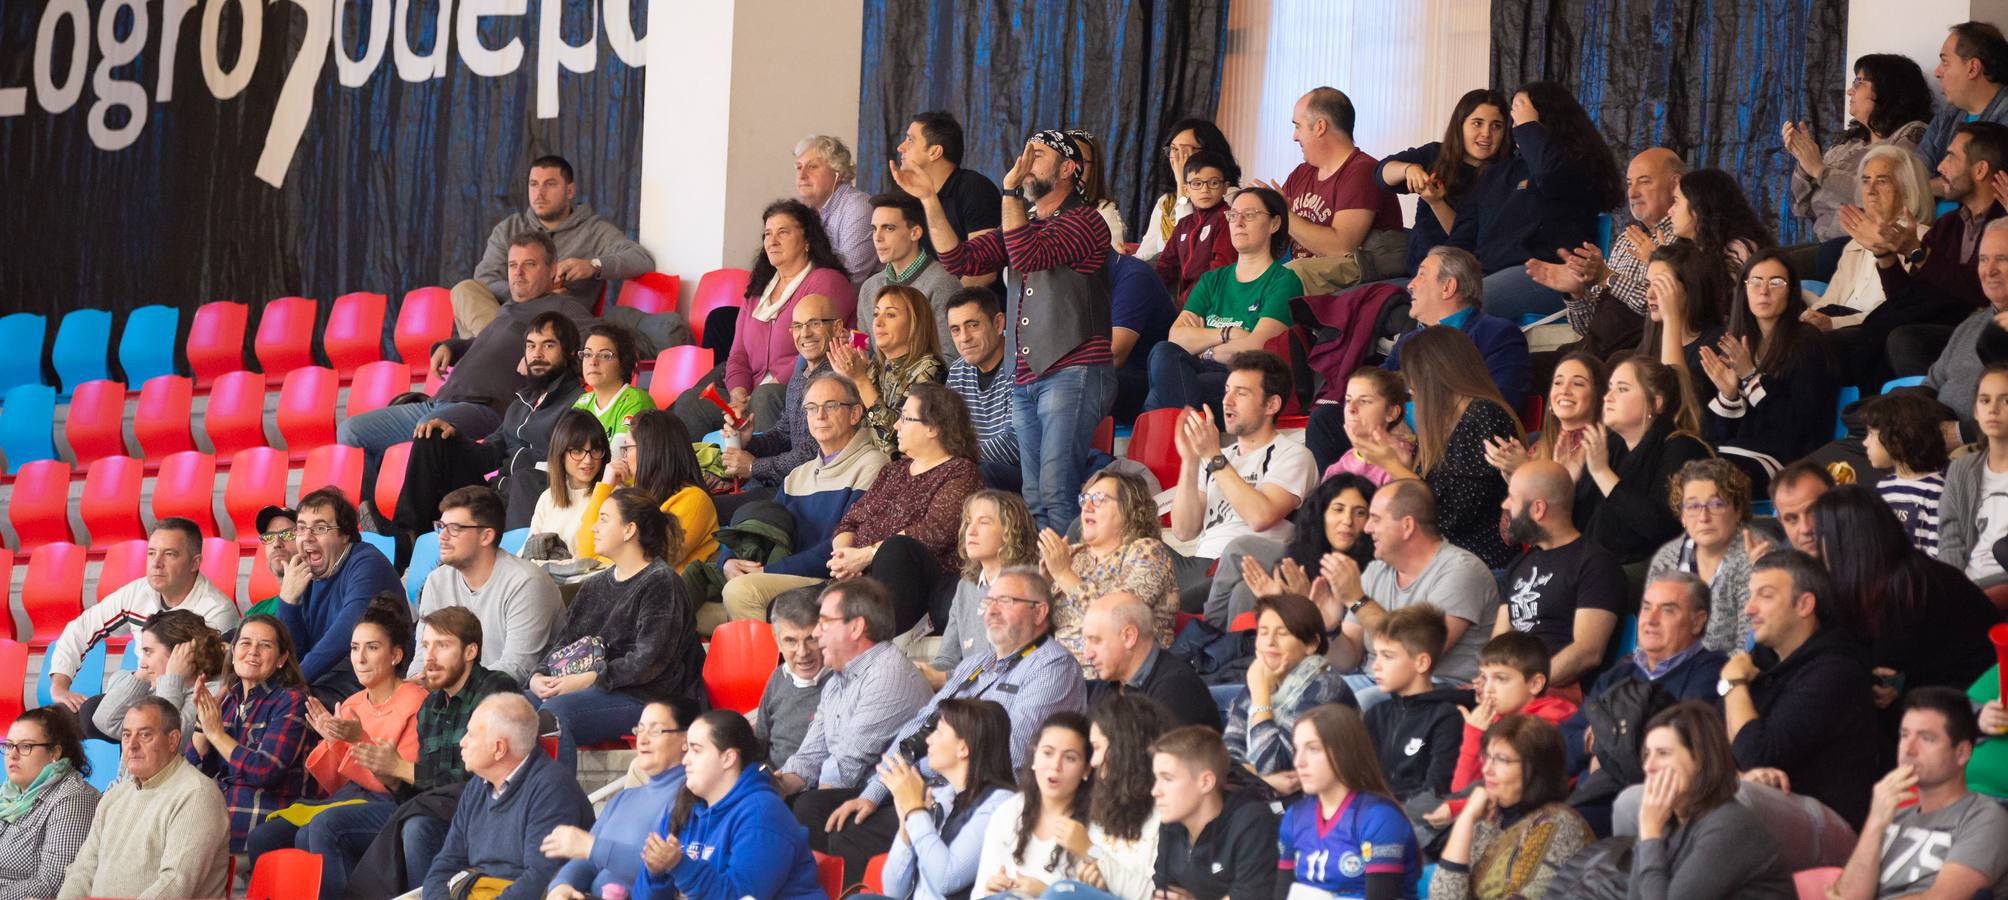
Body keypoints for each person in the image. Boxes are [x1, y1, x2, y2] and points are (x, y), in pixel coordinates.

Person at [804, 568, 1086, 883]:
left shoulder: (1052, 666)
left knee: (850, 834)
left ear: (1040, 611)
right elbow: (918, 726)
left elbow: (1012, 755)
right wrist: (874, 793)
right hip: (932, 793)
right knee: (827, 817)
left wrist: (926, 774)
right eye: (988, 601)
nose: (990, 610)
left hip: (981, 804)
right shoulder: (976, 663)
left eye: (1004, 601)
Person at [902, 129, 1115, 533]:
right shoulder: (1028, 221)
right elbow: (958, 259)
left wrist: (1010, 194)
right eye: (1026, 152)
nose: (1025, 161)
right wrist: (929, 200)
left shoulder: (1087, 220)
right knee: (1034, 495)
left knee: (1056, 488)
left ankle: (1077, 579)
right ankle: (1044, 579)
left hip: (1074, 370)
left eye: (1039, 155)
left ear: (1069, 168)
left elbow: (1027, 255)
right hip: (1028, 375)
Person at [342, 233, 595, 503]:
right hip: (438, 401)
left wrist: (536, 358)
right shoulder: (509, 308)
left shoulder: (562, 307)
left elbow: (596, 347)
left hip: (485, 409)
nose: (518, 273)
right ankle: (368, 512)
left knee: (428, 429)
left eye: (529, 264)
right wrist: (453, 346)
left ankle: (417, 523)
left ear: (553, 269)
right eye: (512, 265)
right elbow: (485, 344)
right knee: (352, 430)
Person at [248, 595, 426, 897]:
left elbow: (398, 784)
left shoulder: (415, 701)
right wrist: (333, 741)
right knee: (264, 837)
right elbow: (336, 784)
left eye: (372, 648)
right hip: (350, 798)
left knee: (318, 828)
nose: (361, 658)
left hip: (393, 804)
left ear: (396, 656)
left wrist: (357, 739)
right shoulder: (353, 703)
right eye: (355, 648)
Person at [339, 607, 523, 898]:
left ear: (470, 651)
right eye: (426, 646)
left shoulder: (496, 689)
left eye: (443, 645)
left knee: (416, 828)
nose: (430, 657)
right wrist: (392, 777)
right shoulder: (431, 707)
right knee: (334, 825)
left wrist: (403, 769)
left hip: (492, 815)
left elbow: (482, 778)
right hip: (444, 813)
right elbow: (424, 796)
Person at [533, 487, 706, 768]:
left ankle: (556, 807)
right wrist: (539, 675)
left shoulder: (661, 582)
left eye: (603, 519)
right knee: (515, 707)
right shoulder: (594, 585)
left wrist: (588, 679)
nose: (593, 527)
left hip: (650, 698)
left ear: (629, 530)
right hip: (599, 688)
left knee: (554, 713)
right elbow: (564, 642)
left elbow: (649, 661)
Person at [1721, 549, 1879, 826]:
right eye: (1751, 595)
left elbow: (1756, 756)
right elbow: (1711, 742)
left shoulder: (1834, 672)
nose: (1749, 608)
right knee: (1642, 796)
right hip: (1765, 810)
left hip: (1826, 824)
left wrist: (1733, 684)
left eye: (1766, 596)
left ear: (1804, 605)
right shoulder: (1758, 661)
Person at [1808, 485, 2000, 711]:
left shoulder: (1905, 589)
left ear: (1843, 542)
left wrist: (1866, 671)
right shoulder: (1891, 574)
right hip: (1946, 687)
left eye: (1820, 536)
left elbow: (1886, 672)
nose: (1816, 546)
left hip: (1979, 696)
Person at [675, 199, 858, 437]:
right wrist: (738, 395)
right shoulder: (758, 289)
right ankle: (695, 473)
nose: (772, 241)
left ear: (807, 241)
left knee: (766, 396)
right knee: (692, 401)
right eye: (767, 234)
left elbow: (815, 349)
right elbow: (738, 354)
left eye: (783, 232)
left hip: (804, 393)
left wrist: (765, 388)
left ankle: (756, 472)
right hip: (753, 393)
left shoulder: (827, 281)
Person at [397, 310, 587, 531]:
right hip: (496, 494)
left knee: (521, 480)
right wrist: (454, 437)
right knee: (432, 436)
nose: (537, 354)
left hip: (530, 497)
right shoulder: (521, 402)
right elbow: (487, 455)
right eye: (531, 345)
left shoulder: (577, 404)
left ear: (571, 351)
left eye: (548, 345)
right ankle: (405, 536)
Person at [1168, 351, 1319, 623]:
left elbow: (1260, 518)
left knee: (1237, 556)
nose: (1227, 400)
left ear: (1271, 404)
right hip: (1200, 565)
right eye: (1227, 391)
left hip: (1248, 565)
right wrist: (1191, 461)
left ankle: (1192, 626)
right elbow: (1183, 530)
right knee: (1137, 544)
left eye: (1241, 393)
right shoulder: (1216, 456)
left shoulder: (1293, 455)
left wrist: (1214, 458)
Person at [820, 384, 985, 632]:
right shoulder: (892, 470)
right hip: (859, 577)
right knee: (786, 607)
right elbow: (849, 523)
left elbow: (935, 531)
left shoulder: (960, 472)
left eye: (905, 418)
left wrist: (865, 555)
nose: (896, 425)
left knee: (896, 549)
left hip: (917, 585)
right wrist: (844, 558)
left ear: (933, 427)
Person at [1360, 324, 1527, 567]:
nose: (1411, 390)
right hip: (1442, 563)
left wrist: (1392, 465)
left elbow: (1450, 516)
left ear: (1436, 374)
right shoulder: (1446, 423)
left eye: (1413, 377)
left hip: (1479, 566)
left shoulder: (1482, 415)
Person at [1853, 121, 2008, 379]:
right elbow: (1908, 299)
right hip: (1937, 326)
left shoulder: (2003, 226)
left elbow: (1984, 293)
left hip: (1981, 333)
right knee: (1845, 342)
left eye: (1950, 157)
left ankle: (1932, 414)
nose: (1939, 167)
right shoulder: (1948, 224)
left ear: (1980, 170)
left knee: (1902, 340)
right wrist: (1886, 254)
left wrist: (1919, 253)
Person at [44, 517, 239, 712]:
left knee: (99, 713)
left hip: (187, 707)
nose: (157, 563)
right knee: (63, 718)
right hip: (141, 693)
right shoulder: (138, 592)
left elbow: (192, 679)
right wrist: (60, 686)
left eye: (170, 554)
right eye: (151, 553)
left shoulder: (217, 610)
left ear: (195, 563)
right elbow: (82, 628)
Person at [1831, 687, 2008, 900]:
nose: (1909, 749)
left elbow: (1940, 898)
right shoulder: (1891, 815)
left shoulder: (1985, 818)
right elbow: (1846, 896)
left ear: (1961, 753)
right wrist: (1875, 823)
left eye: (1927, 738)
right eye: (1904, 735)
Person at [1144, 186, 1301, 418]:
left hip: (1247, 380)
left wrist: (1202, 349)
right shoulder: (1212, 280)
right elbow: (1177, 338)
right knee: (1163, 351)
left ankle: (1187, 444)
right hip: (1200, 372)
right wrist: (1228, 333)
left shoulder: (1284, 281)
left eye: (1249, 215)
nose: (1238, 222)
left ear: (1274, 224)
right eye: (1233, 215)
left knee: (1157, 397)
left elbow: (1255, 348)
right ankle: (1194, 440)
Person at [453, 155, 652, 337]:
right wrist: (531, 290)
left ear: (570, 190)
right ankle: (500, 345)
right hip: (509, 317)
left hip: (558, 325)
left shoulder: (594, 230)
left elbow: (641, 259)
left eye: (550, 184)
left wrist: (593, 265)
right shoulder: (509, 228)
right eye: (533, 184)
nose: (539, 193)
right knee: (464, 289)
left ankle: (494, 349)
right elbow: (485, 279)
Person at [633, 710, 824, 900]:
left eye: (696, 750)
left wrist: (679, 866)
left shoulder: (763, 814)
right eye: (687, 750)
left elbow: (742, 897)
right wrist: (656, 873)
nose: (685, 760)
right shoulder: (684, 810)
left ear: (728, 758)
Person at [777, 580, 935, 804]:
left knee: (807, 807)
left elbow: (845, 769)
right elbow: (812, 754)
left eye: (824, 622)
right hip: (849, 792)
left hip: (891, 802)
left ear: (856, 627)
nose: (815, 632)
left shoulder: (887, 677)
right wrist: (779, 785)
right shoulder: (837, 680)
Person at [54, 699, 230, 900]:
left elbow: (175, 886)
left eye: (145, 735)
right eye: (126, 735)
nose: (132, 745)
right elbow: (82, 872)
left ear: (173, 740)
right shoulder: (114, 796)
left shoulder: (197, 795)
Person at [423, 693, 595, 898]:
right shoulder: (476, 786)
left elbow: (540, 879)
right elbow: (445, 864)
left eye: (471, 735)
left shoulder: (552, 788)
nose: (462, 742)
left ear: (499, 748)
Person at [1336, 480, 1501, 690]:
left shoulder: (1461, 571)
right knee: (1315, 694)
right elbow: (1344, 662)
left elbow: (1415, 653)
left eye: (1375, 519)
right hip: (1372, 681)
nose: (1367, 528)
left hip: (1433, 690)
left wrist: (1357, 600)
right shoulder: (1376, 571)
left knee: (1354, 704)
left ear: (1407, 526)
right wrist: (1329, 628)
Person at [1527, 148, 1686, 359]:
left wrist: (1606, 276)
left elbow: (1661, 311)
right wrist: (1577, 294)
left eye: (1644, 181)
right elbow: (1587, 328)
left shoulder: (1684, 240)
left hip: (1636, 358)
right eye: (1629, 183)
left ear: (1675, 185)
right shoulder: (1627, 238)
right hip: (1592, 353)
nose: (1632, 193)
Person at [1561, 573, 1727, 774]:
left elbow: (1676, 748)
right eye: (1646, 607)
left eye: (1668, 610)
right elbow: (1561, 747)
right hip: (1587, 796)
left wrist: (1604, 737)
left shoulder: (1712, 672)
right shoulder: (1620, 672)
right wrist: (1595, 743)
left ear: (1698, 621)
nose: (1651, 619)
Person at [1627, 701, 1795, 899]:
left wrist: (1649, 835)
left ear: (1699, 759)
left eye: (1663, 753)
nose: (1649, 766)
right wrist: (1649, 834)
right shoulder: (1663, 821)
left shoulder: (1730, 825)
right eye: (1647, 754)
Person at [1702, 251, 1837, 489]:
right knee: (1686, 459)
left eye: (1776, 282)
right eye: (1755, 282)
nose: (1763, 291)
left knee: (1708, 472)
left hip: (1787, 461)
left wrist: (1751, 377)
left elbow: (1795, 427)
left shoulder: (1806, 341)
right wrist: (1729, 395)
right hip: (1737, 451)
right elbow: (1718, 434)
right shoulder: (1740, 342)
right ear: (1744, 290)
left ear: (1791, 291)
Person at [1250, 86, 1405, 291]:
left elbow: (1341, 246)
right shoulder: (1302, 173)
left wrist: (1285, 216)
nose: (1294, 136)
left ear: (1320, 126)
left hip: (1350, 285)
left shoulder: (1362, 171)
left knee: (1288, 277)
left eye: (1298, 126)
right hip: (1304, 281)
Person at [544, 697, 696, 899]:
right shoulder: (623, 798)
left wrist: (593, 847)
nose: (642, 740)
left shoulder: (693, 799)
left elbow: (669, 868)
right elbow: (587, 860)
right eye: (639, 730)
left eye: (655, 730)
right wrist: (562, 885)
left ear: (686, 740)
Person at [185, 614, 310, 852]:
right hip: (216, 819)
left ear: (282, 658)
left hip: (260, 822)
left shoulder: (292, 700)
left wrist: (218, 734)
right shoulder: (228, 700)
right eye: (245, 643)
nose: (253, 651)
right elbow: (192, 774)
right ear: (233, 652)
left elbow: (265, 771)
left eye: (265, 645)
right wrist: (203, 724)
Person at [1431, 716, 1593, 899]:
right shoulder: (1489, 818)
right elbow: (1442, 895)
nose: (1486, 770)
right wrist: (1465, 819)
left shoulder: (1556, 825)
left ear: (1535, 769)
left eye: (1501, 760)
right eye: (1487, 757)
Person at [1039, 467, 1181, 674]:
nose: (1086, 506)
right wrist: (1040, 589)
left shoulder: (1147, 551)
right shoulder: (1072, 556)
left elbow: (1120, 620)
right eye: (1084, 499)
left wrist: (1063, 575)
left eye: (1099, 499)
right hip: (1054, 674)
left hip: (1118, 683)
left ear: (1130, 509)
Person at [1494, 460, 1625, 686]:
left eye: (1512, 498)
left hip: (1559, 696)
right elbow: (1498, 642)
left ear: (1538, 509)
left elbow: (1587, 652)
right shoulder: (1517, 566)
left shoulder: (1595, 564)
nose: (1505, 504)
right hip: (1513, 691)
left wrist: (1529, 688)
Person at [415, 486, 564, 684]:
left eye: (455, 528)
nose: (442, 536)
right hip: (454, 693)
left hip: (515, 700)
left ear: (486, 536)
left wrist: (449, 685)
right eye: (441, 527)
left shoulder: (526, 583)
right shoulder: (436, 581)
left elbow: (516, 668)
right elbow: (421, 656)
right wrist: (413, 689)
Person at [1576, 354, 1714, 564]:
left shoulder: (1683, 448)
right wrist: (1569, 477)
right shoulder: (1611, 446)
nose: (1607, 397)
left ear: (1655, 403)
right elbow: (1580, 521)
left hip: (1655, 567)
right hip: (1601, 564)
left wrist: (1602, 473)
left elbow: (1660, 527)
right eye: (1610, 387)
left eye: (1622, 389)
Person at [273, 487, 403, 708]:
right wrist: (288, 601)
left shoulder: (367, 564)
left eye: (320, 528)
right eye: (301, 528)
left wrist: (285, 687)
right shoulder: (306, 572)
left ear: (344, 535)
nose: (307, 537)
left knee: (290, 704)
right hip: (325, 678)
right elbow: (293, 650)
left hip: (368, 677)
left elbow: (343, 637)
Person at [1273, 705, 1421, 898]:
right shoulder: (1294, 816)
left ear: (1344, 751)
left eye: (1313, 749)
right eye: (1296, 749)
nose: (1299, 762)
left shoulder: (1379, 817)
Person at [877, 699, 1017, 900]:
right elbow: (892, 891)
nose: (928, 740)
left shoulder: (999, 804)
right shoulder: (940, 797)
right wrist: (905, 823)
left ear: (963, 748)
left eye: (939, 732)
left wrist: (915, 812)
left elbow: (946, 879)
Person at [1786, 54, 1934, 242]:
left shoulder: (1912, 133)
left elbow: (1887, 195)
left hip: (1870, 241)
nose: (1849, 91)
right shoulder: (1848, 143)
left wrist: (1820, 171)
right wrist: (1804, 160)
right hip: (1824, 240)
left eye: (1858, 82)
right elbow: (1800, 206)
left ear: (1887, 88)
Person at [1224, 594, 1356, 794]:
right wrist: (1263, 781)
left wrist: (1261, 696)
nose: (1269, 642)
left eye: (1282, 633)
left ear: (1311, 644)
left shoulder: (1325, 687)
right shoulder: (1261, 681)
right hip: (1265, 801)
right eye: (1263, 632)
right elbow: (1228, 761)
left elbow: (1274, 764)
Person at [718, 293, 842, 495]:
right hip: (788, 483)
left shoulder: (837, 380)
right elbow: (784, 435)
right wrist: (749, 440)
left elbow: (816, 454)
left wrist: (754, 466)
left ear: (837, 327)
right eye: (798, 326)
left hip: (813, 491)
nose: (805, 333)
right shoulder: (802, 373)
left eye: (814, 323)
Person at [1814, 146, 1936, 349]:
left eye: (1882, 180)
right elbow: (1828, 301)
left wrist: (1834, 323)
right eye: (1865, 180)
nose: (1870, 190)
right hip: (1837, 326)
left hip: (1873, 334)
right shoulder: (1854, 244)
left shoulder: (1919, 240)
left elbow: (1898, 312)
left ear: (1906, 190)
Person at [1230, 472, 1380, 633]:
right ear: (1321, 514)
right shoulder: (1303, 556)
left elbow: (1346, 646)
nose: (1347, 521)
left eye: (1360, 513)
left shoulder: (1376, 571)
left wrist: (1306, 606)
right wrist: (1276, 602)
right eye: (1338, 509)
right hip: (1290, 650)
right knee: (1243, 591)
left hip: (1333, 652)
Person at [573, 410, 720, 571]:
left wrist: (599, 561)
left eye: (627, 448)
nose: (623, 458)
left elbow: (646, 561)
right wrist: (605, 486)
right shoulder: (635, 497)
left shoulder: (694, 499)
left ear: (650, 450)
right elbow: (585, 555)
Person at [1446, 634, 1579, 805]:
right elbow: (1461, 791)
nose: (1488, 689)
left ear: (1535, 684)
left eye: (1501, 679)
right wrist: (1474, 732)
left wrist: (1474, 734)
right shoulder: (1495, 719)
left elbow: (1514, 795)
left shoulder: (1550, 721)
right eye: (1485, 678)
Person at [1149, 724, 1279, 900]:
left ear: (1206, 782)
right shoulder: (1172, 823)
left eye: (1167, 779)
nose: (1155, 791)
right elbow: (1164, 894)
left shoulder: (1251, 822)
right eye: (1156, 778)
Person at [974, 712, 1096, 895]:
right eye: (1047, 753)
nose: (1055, 765)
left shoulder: (1097, 822)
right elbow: (978, 892)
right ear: (1034, 758)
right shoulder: (1009, 811)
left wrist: (1046, 894)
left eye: (1070, 758)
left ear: (1086, 769)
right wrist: (989, 890)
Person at [1648, 459, 1760, 653]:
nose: (1703, 517)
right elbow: (1651, 635)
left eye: (1716, 504)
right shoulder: (1667, 558)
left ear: (1738, 510)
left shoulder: (1756, 555)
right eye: (1692, 506)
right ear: (1682, 516)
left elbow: (1749, 647)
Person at [928, 491, 1040, 684]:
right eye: (969, 521)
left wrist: (943, 678)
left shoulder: (1029, 586)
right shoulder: (965, 586)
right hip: (967, 702)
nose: (970, 531)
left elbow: (1007, 668)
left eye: (984, 522)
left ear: (1011, 532)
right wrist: (922, 675)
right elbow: (946, 658)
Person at [1363, 603, 1465, 806]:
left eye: (1388, 656)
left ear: (1421, 663)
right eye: (1376, 654)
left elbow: (1436, 789)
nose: (1376, 665)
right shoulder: (1375, 715)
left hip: (1417, 821)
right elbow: (1360, 779)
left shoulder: (1447, 718)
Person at [829, 284, 946, 455]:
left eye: (890, 315)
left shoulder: (930, 368)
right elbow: (852, 425)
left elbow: (897, 435)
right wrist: (848, 380)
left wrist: (861, 380)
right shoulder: (876, 365)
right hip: (863, 462)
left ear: (915, 324)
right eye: (876, 314)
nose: (878, 321)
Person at [1080, 591, 1219, 730]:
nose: (1088, 654)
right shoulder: (1106, 688)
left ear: (1129, 637)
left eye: (1096, 641)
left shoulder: (1177, 689)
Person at [0, 707, 99, 900]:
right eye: (9, 745)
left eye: (25, 746)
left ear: (54, 752)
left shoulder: (73, 798)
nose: (12, 755)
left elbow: (53, 882)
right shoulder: (8, 793)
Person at [84, 610, 223, 746]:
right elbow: (105, 721)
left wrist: (172, 678)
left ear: (181, 652)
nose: (142, 663)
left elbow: (163, 742)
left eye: (148, 652)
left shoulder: (210, 691)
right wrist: (141, 676)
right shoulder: (156, 686)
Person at [1918, 219, 2008, 430]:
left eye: (2002, 259)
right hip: (1932, 442)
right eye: (1983, 260)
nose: (1989, 270)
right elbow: (1932, 385)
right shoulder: (1970, 325)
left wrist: (1961, 434)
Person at [859, 192, 963, 350]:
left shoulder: (943, 283)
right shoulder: (869, 288)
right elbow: (864, 352)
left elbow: (949, 359)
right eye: (874, 229)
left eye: (888, 228)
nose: (877, 237)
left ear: (915, 233)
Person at [941, 287, 1021, 490]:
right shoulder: (959, 370)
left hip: (1017, 474)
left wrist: (955, 459)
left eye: (973, 325)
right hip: (967, 466)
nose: (964, 338)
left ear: (998, 323)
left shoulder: (1023, 365)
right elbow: (948, 433)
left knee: (976, 472)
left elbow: (1016, 443)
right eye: (956, 330)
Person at [1860, 392, 1954, 555]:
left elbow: (1937, 555)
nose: (1864, 442)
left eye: (1871, 433)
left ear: (1898, 437)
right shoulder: (1883, 487)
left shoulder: (1937, 490)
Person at [894, 111, 1002, 252]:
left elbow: (984, 270)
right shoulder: (910, 195)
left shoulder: (975, 189)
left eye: (910, 140)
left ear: (935, 152)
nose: (900, 147)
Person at [1137, 117, 1240, 262]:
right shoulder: (1166, 202)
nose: (1176, 158)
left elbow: (1186, 247)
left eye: (1185, 151)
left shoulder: (1230, 196)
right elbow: (1145, 254)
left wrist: (1182, 182)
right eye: (1173, 150)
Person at [1941, 360, 2008, 582]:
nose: (1993, 409)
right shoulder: (1961, 468)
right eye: (1985, 400)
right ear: (1975, 412)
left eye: (2006, 400)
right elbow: (1951, 537)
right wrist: (1955, 587)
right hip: (1966, 590)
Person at [1641, 240, 1734, 394]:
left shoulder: (1716, 344)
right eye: (1648, 285)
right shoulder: (1652, 338)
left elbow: (1675, 401)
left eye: (1661, 285)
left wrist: (1671, 317)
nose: (1649, 294)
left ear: (1690, 288)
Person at [1919, 22, 2008, 174]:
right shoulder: (1947, 114)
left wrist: (1931, 186)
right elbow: (1915, 175)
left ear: (1973, 68)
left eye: (1945, 62)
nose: (1937, 72)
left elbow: (1985, 186)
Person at [753, 589, 829, 769]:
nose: (802, 653)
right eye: (790, 641)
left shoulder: (843, 682)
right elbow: (760, 743)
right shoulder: (779, 677)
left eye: (811, 639)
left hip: (813, 790)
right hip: (772, 781)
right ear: (777, 641)